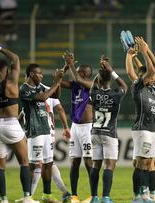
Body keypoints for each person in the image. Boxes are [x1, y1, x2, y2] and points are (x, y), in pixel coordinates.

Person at [0, 31, 36, 203]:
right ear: (6, 69)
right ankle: (27, 197)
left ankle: (3, 199)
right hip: (12, 124)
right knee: (25, 162)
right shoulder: (12, 81)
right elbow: (16, 59)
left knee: (0, 166)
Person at [20, 63, 64, 203]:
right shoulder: (24, 88)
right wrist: (56, 82)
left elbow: (55, 94)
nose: (42, 75)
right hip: (34, 130)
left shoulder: (40, 86)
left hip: (45, 130)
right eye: (39, 73)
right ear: (32, 74)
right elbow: (43, 97)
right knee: (33, 165)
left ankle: (47, 195)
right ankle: (28, 196)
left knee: (48, 163)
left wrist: (59, 80)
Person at [88, 55, 128, 203]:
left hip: (95, 132)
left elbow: (93, 85)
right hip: (109, 133)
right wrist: (111, 71)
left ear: (98, 80)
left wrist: (100, 71)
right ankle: (105, 197)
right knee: (109, 165)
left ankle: (94, 197)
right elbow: (125, 86)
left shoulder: (95, 93)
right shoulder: (116, 94)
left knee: (96, 165)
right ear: (110, 78)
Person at [125, 36, 155, 203]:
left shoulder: (152, 85)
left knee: (149, 163)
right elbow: (136, 72)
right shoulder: (139, 85)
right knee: (141, 164)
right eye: (147, 76)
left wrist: (142, 52)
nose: (152, 77)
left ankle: (149, 195)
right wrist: (140, 53)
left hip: (152, 130)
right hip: (143, 129)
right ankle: (138, 196)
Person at [60, 52, 94, 203]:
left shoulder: (92, 85)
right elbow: (58, 81)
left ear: (85, 74)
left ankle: (94, 195)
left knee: (88, 161)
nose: (76, 74)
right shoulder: (75, 85)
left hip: (88, 128)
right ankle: (74, 195)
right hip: (75, 127)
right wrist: (66, 67)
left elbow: (78, 79)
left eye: (78, 71)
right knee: (75, 162)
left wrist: (72, 64)